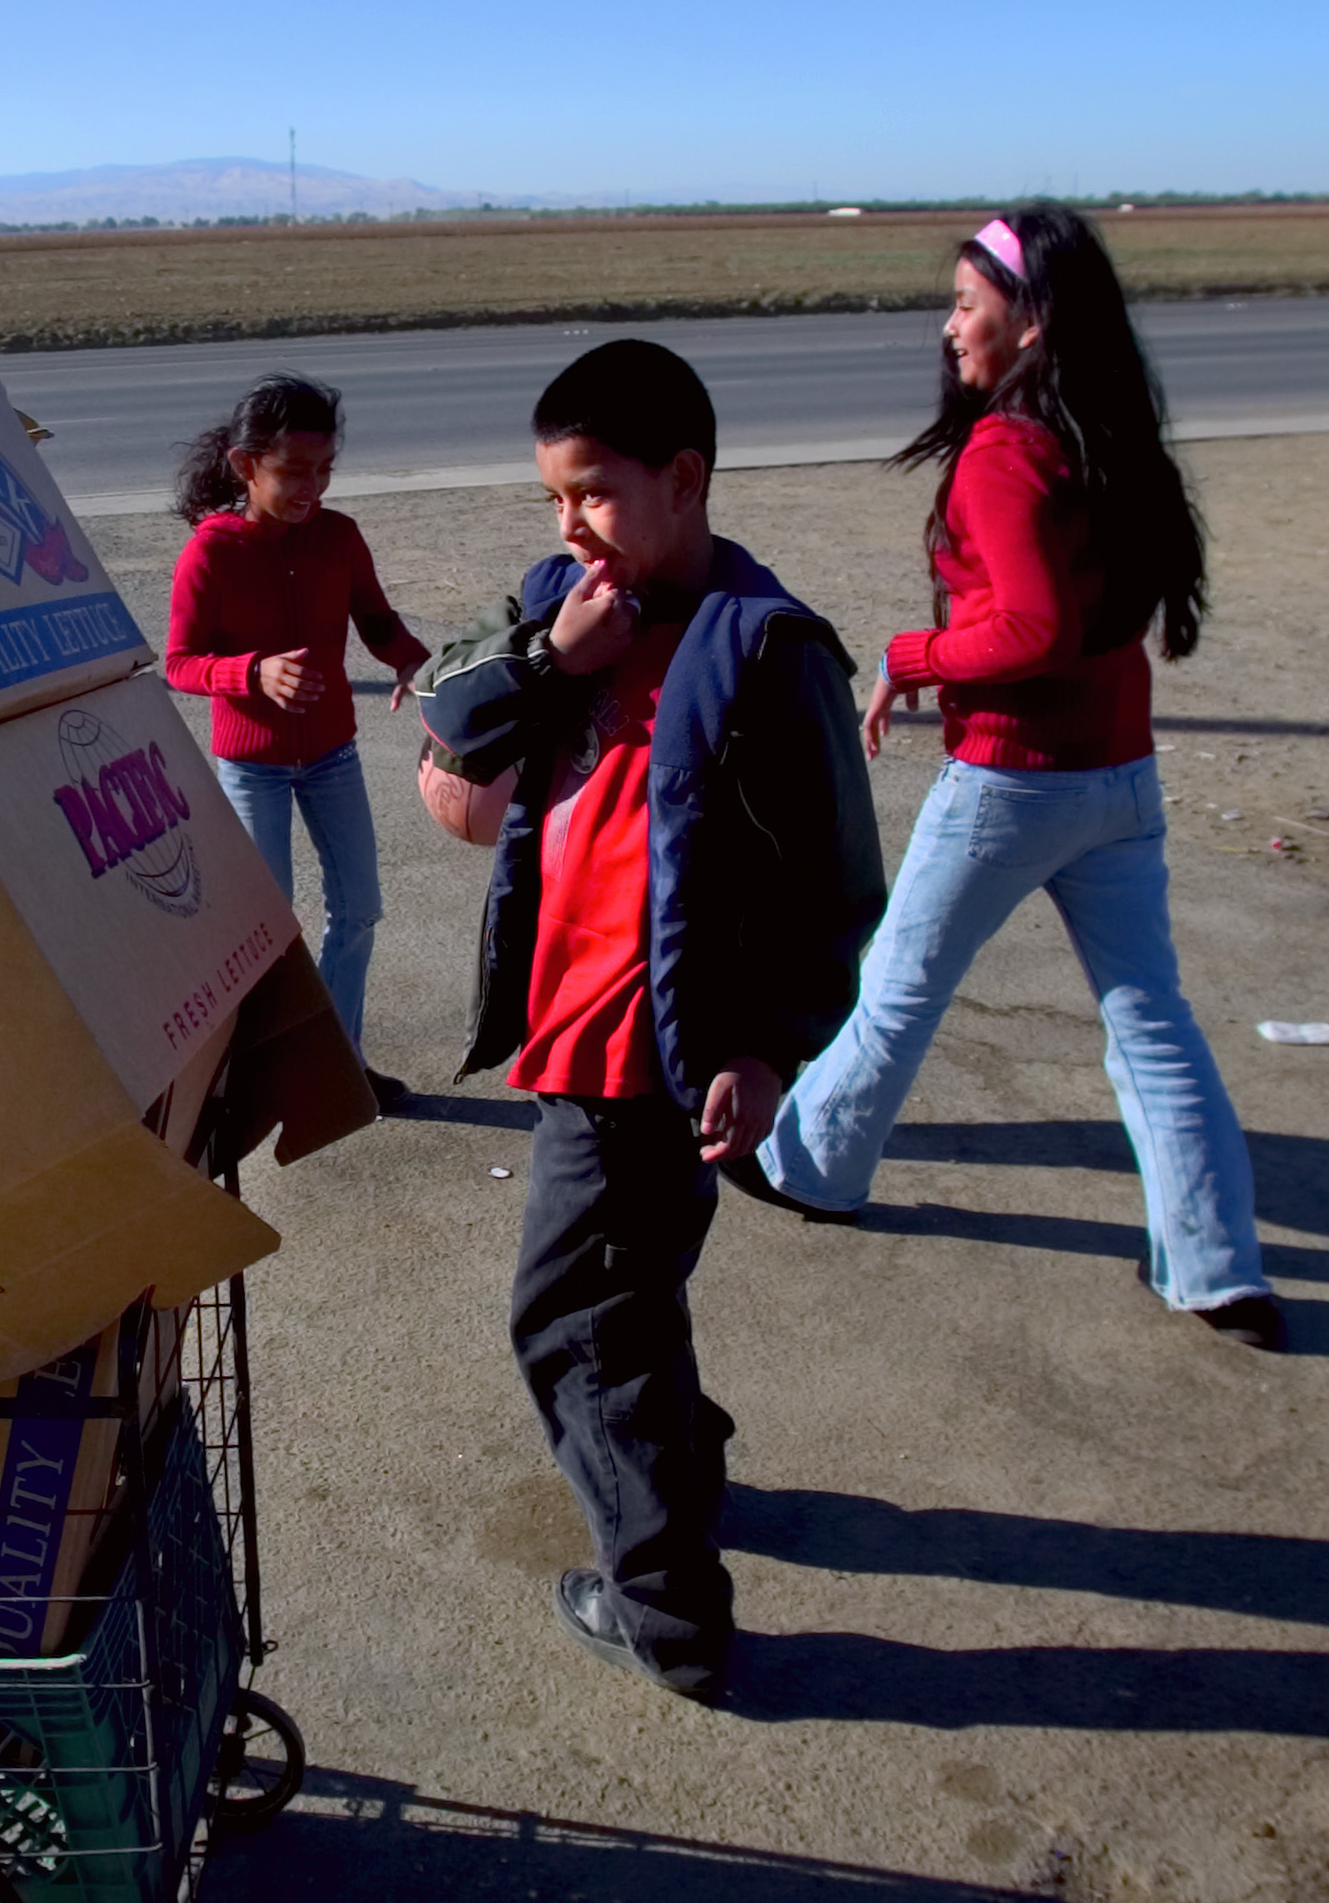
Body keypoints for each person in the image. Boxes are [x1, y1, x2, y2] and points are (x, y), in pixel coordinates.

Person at [725, 206, 1285, 1354]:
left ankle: (814, 1169)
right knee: (1152, 1021)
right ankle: (1218, 1265)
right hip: (1119, 777)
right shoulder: (1104, 435)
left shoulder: (1008, 451)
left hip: (1014, 781)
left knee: (896, 986)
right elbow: (1086, 621)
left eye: (969, 306)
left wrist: (907, 655)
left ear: (1030, 324)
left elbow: (1030, 625)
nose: (950, 328)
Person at [416, 340, 885, 1700]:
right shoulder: (563, 602)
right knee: (631, 1307)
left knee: (577, 1328)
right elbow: (451, 725)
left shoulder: (766, 648)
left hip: (653, 1065)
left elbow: (831, 884)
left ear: (684, 480)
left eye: (595, 492)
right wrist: (553, 663)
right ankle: (687, 1477)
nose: (568, 523)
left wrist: (768, 1043)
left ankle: (669, 1614)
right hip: (568, 1028)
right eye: (551, 496)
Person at [165, 373, 429, 1113]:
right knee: (266, 929)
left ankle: (340, 1064)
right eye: (292, 472)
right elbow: (181, 664)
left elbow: (375, 620)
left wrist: (410, 659)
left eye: (324, 470)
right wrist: (251, 673)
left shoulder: (338, 536)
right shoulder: (211, 554)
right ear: (245, 464)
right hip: (251, 768)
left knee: (360, 910)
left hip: (332, 758)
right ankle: (247, 1073)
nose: (311, 486)